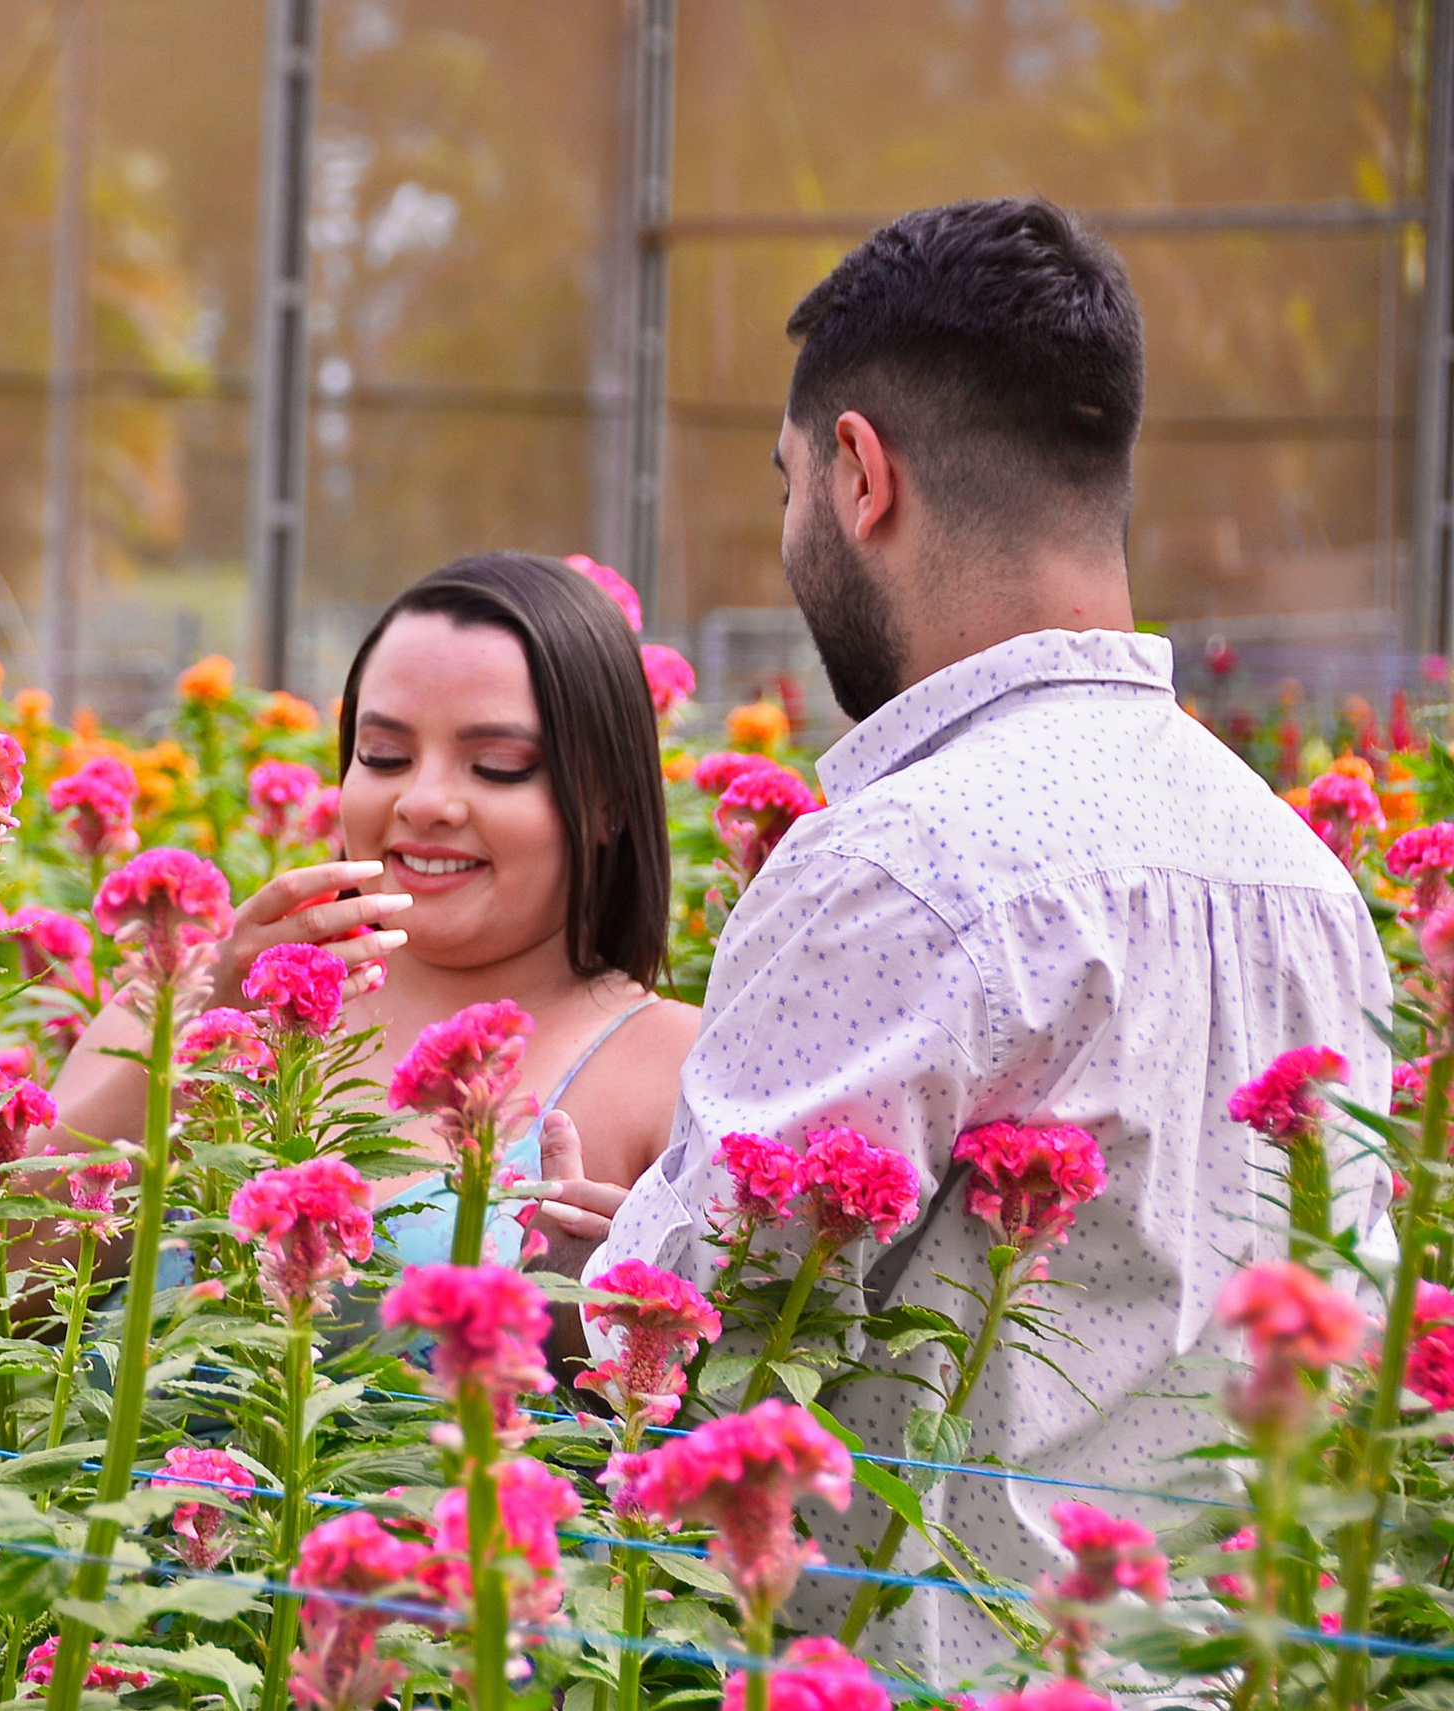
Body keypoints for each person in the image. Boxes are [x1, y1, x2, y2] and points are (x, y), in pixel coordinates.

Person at [576, 197, 1393, 1670]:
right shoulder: (1302, 881)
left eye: (788, 485)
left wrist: (615, 1251)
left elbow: (694, 1332)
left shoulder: (904, 866)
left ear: (860, 474)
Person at [43, 552, 699, 1289]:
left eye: (498, 764)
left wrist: (592, 1318)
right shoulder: (181, 999)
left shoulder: (678, 1074)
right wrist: (189, 1045)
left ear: (609, 802)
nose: (423, 801)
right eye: (384, 755)